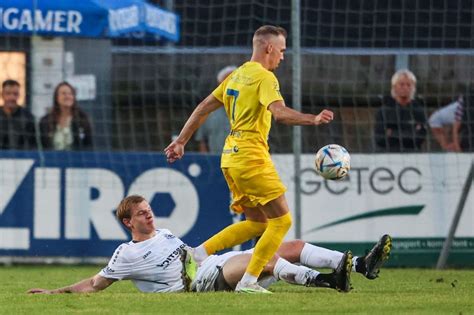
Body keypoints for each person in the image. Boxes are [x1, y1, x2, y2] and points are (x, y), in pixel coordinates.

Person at [165, 25, 334, 293]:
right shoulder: (264, 78)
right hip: (251, 156)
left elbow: (202, 107)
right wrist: (312, 119)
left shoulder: (237, 74)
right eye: (281, 50)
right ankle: (249, 280)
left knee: (258, 223)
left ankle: (198, 253)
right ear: (269, 48)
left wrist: (181, 140)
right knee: (282, 222)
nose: (282, 56)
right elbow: (279, 113)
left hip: (230, 157)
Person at [27, 195, 392, 295]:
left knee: (287, 243)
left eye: (149, 210)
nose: (150, 216)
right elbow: (94, 284)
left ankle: (359, 265)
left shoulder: (165, 232)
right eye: (142, 214)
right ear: (128, 222)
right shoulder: (127, 254)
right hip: (198, 284)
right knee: (259, 259)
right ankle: (328, 281)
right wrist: (54, 292)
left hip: (210, 264)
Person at [374, 69, 427, 152]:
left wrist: (392, 133)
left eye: (409, 85)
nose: (405, 87)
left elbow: (419, 139)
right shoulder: (384, 110)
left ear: (413, 88)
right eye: (402, 84)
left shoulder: (418, 110)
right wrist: (409, 133)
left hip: (412, 154)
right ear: (394, 87)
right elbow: (380, 139)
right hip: (387, 154)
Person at [39, 82, 93, 151]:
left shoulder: (83, 119)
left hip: (77, 160)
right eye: (63, 93)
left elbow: (89, 146)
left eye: (70, 94)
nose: (67, 96)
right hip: (52, 160)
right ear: (56, 97)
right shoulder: (45, 121)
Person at [195, 66, 237, 153]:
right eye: (226, 83)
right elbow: (202, 139)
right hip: (215, 161)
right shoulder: (208, 111)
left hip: (242, 162)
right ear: (219, 85)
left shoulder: (250, 109)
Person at [0, 79, 37, 150]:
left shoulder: (28, 117)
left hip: (22, 159)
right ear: (2, 95)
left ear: (19, 95)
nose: (12, 97)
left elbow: (32, 146)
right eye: (8, 93)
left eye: (15, 94)